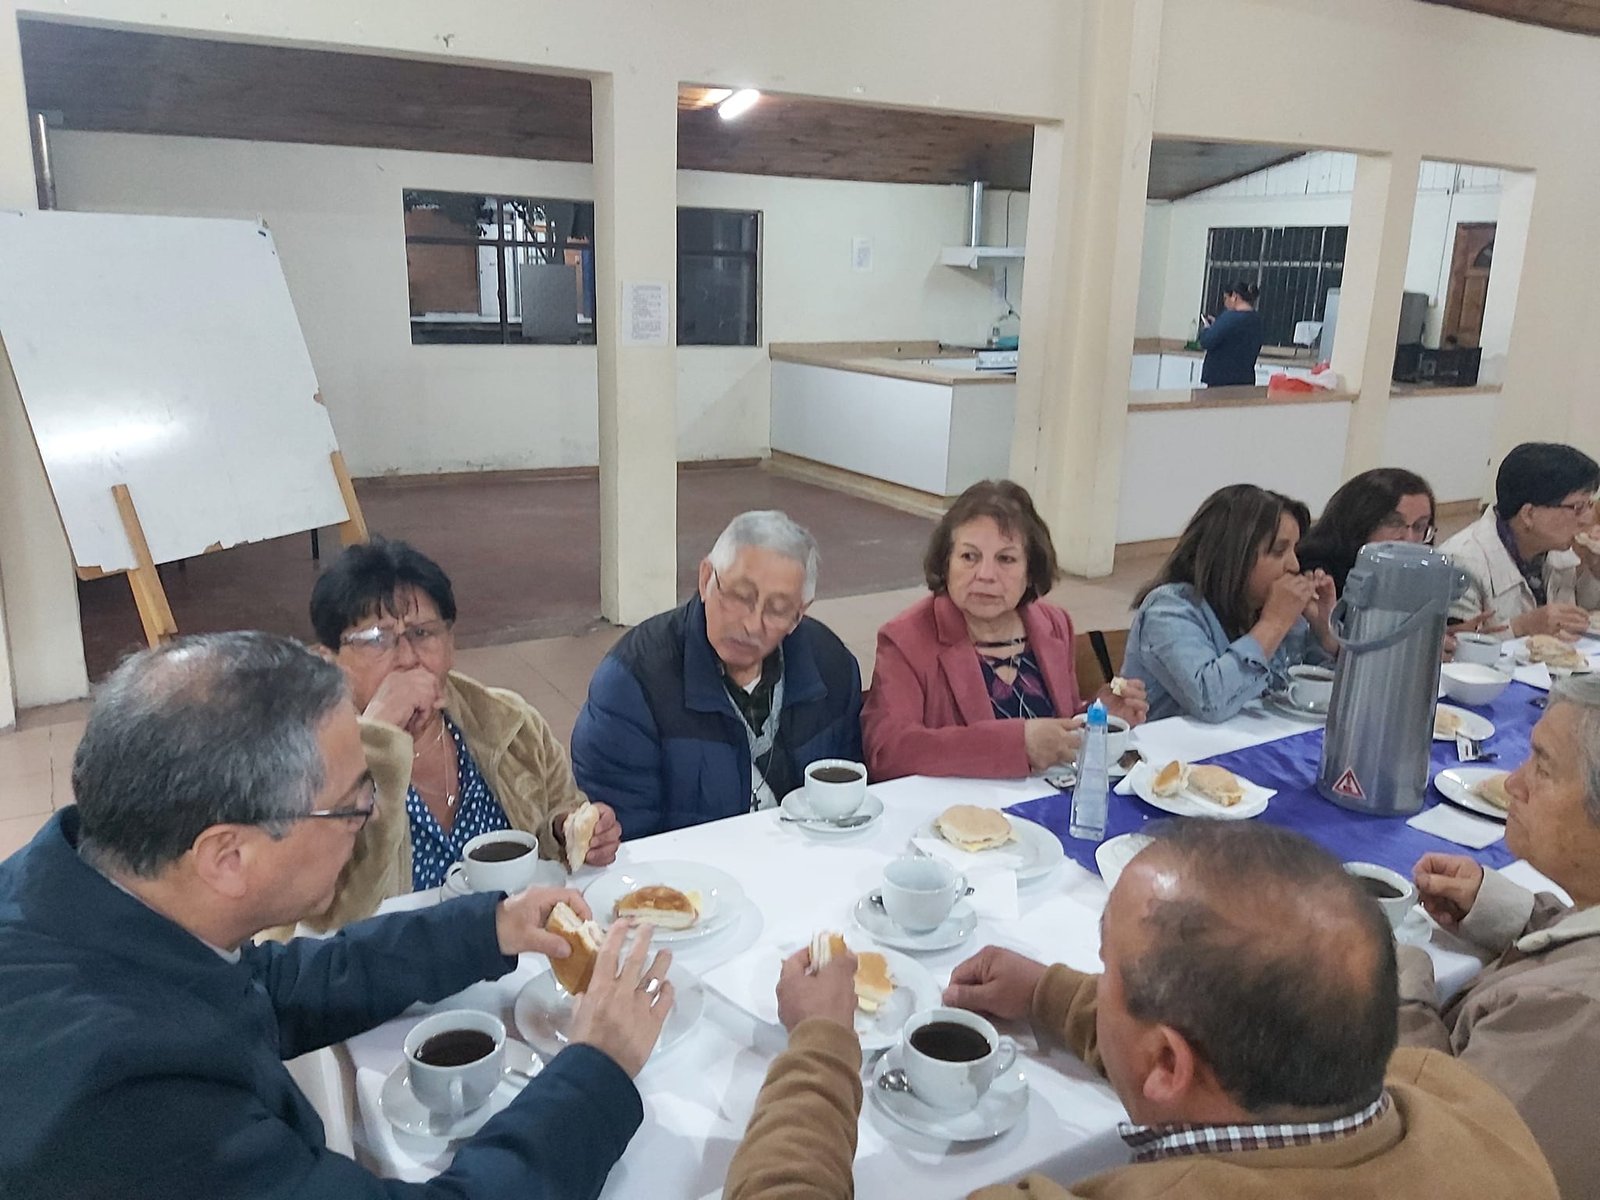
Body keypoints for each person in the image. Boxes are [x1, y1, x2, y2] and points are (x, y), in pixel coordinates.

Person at [0, 632, 673, 1199]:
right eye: (352, 803)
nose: (373, 816)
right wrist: (597, 1067)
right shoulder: (129, 1099)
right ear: (228, 856)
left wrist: (487, 927)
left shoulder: (81, 890)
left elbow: (268, 984)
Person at [724, 821, 1555, 1199]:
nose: (1098, 976)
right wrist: (1048, 994)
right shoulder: (1473, 1109)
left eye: (1108, 966)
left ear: (1166, 1063)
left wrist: (821, 1041)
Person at [306, 538, 619, 930]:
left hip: (519, 950)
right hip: (388, 961)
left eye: (422, 633)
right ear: (329, 661)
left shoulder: (510, 724)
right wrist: (378, 735)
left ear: (451, 643)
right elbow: (321, 917)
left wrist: (567, 833)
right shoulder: (306, 763)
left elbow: (561, 812)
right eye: (377, 640)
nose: (407, 659)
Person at [1400, 672, 1600, 1199]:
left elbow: (1438, 1163)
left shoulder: (1577, 1015)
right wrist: (1515, 914)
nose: (1514, 783)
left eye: (1543, 767)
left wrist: (1398, 989)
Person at [571, 510, 862, 838]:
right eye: (740, 596)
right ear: (706, 578)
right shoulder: (632, 684)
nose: (752, 624)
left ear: (799, 615)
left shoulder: (831, 665)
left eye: (777, 609)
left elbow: (849, 798)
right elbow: (626, 840)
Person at [863, 480, 1147, 781]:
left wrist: (1098, 716)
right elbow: (887, 751)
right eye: (969, 557)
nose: (985, 575)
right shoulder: (907, 638)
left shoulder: (1053, 624)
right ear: (946, 564)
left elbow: (1057, 723)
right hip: (959, 806)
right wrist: (1016, 745)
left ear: (1031, 570)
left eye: (1006, 559)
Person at [1122, 484, 1337, 723]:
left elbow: (1321, 699)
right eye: (1278, 551)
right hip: (1177, 745)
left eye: (1294, 550)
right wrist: (1273, 624)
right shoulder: (1169, 610)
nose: (1294, 566)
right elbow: (1210, 701)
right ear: (1234, 555)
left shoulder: (1276, 612)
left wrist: (1326, 636)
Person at [1439, 441, 1600, 637]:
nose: (1587, 519)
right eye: (1577, 508)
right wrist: (1520, 628)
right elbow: (1454, 646)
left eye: (1589, 505)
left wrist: (1595, 571)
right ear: (1528, 514)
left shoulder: (1560, 551)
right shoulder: (1459, 563)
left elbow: (1588, 618)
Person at [1295, 467, 1437, 593]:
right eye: (1394, 523)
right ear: (1362, 520)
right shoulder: (1315, 570)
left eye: (1419, 526)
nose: (1409, 539)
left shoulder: (1424, 572)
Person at [1197, 282, 1264, 388]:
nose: (1225, 304)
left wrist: (1207, 329)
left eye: (1225, 298)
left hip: (1221, 380)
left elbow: (1207, 341)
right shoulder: (1256, 320)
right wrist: (1217, 325)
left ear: (1234, 296)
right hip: (1245, 379)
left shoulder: (1230, 317)